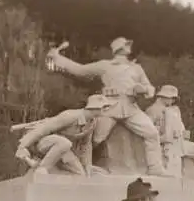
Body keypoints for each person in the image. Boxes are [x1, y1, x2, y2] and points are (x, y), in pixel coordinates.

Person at [46, 37, 168, 177]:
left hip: (131, 108)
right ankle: (69, 162)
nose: (129, 47)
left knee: (152, 133)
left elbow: (149, 87)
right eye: (126, 45)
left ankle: (155, 167)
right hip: (108, 107)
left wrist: (144, 90)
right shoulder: (105, 66)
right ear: (119, 48)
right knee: (95, 139)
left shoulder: (136, 68)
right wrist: (58, 59)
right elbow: (80, 70)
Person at [15, 94, 111, 176]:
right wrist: (23, 146)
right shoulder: (70, 116)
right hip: (43, 143)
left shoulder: (92, 122)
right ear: (94, 107)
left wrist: (87, 165)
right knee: (64, 143)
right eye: (104, 106)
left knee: (79, 173)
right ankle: (41, 169)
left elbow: (86, 145)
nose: (106, 109)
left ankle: (53, 176)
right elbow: (43, 129)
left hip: (63, 148)